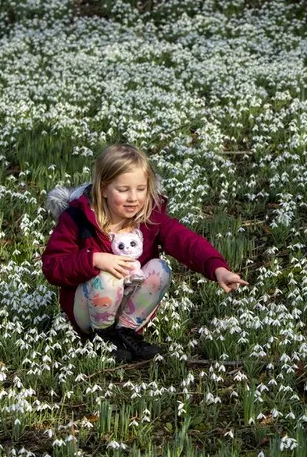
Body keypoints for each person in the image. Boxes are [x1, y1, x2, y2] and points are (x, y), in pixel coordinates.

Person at [41, 144, 248, 361]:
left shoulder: (149, 217)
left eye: (141, 189)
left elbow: (185, 241)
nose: (133, 198)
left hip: (126, 306)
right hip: (88, 312)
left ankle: (126, 331)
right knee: (108, 276)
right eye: (123, 190)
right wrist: (94, 259)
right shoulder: (78, 219)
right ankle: (102, 338)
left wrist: (218, 268)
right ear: (103, 189)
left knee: (160, 269)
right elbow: (52, 266)